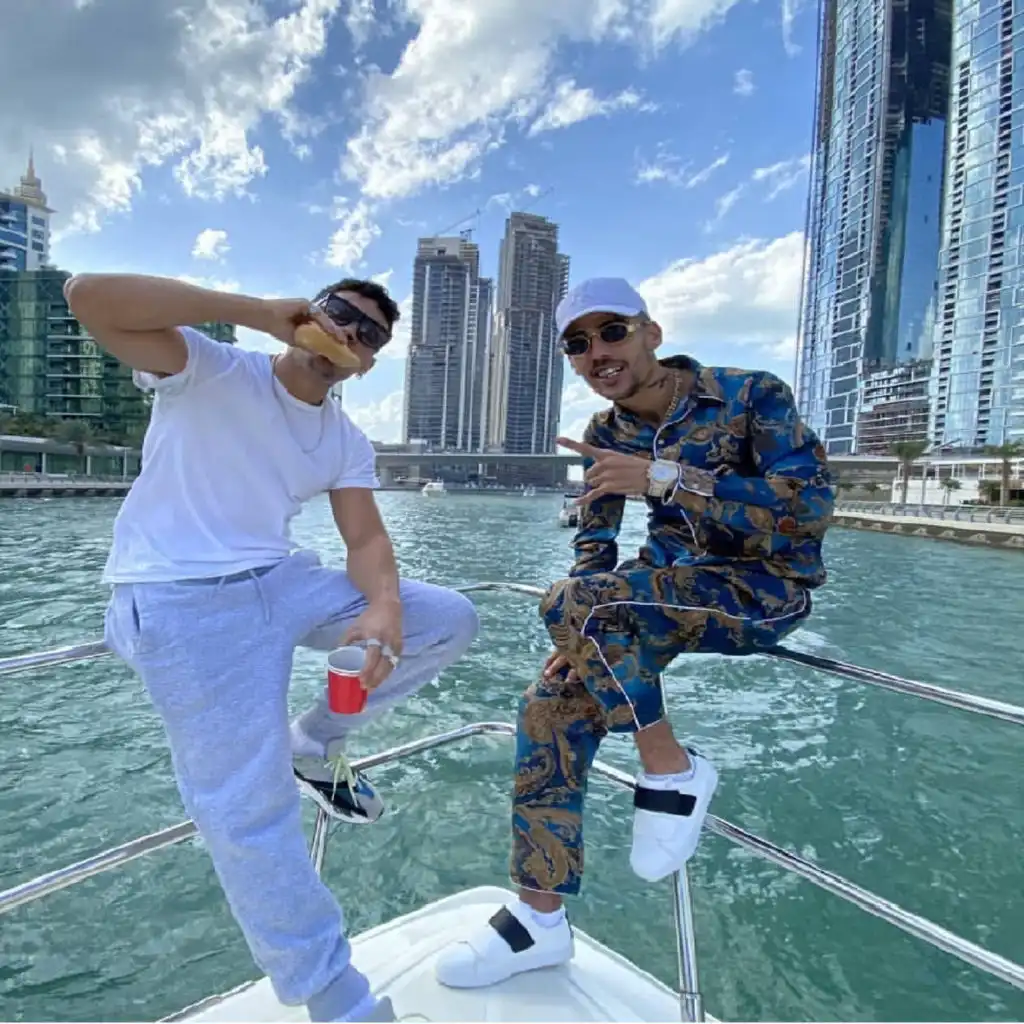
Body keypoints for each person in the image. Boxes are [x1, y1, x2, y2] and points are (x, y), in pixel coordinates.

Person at [65, 273, 480, 1022]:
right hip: (180, 597)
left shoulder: (343, 438)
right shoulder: (208, 367)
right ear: (309, 312)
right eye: (340, 314)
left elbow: (364, 538)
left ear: (368, 363)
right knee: (248, 807)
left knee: (445, 618)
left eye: (369, 334)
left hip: (282, 580)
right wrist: (255, 314)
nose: (349, 333)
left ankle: (314, 741)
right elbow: (87, 296)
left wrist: (384, 606)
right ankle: (334, 995)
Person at [435, 276, 834, 989]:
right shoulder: (604, 434)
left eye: (611, 331)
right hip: (657, 592)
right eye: (577, 344)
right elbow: (594, 545)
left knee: (579, 605)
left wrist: (664, 479)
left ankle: (670, 769)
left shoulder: (749, 394)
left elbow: (808, 507)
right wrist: (575, 635)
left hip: (763, 591)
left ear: (651, 332)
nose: (597, 352)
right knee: (548, 704)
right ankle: (539, 921)